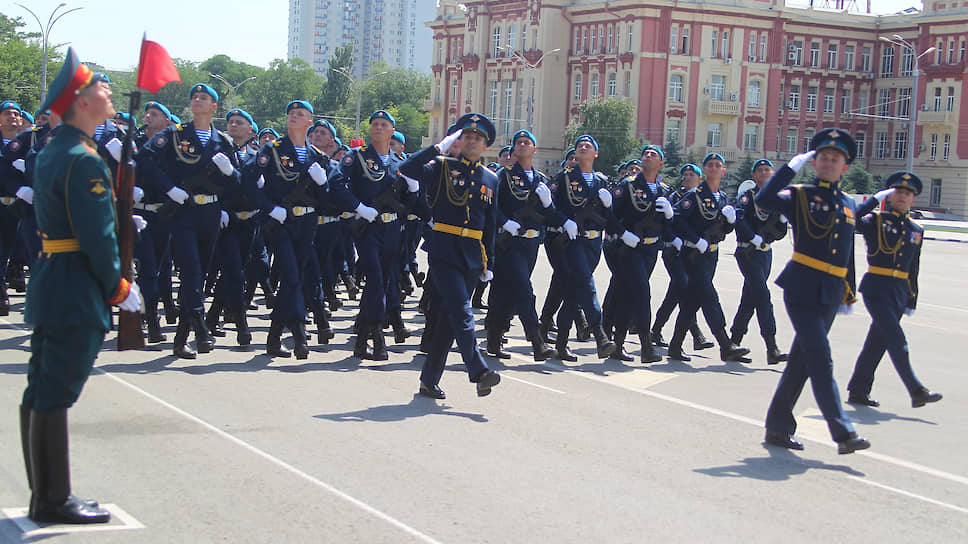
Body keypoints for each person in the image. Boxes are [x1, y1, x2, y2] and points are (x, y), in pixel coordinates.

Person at [20, 47, 141, 524]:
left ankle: (44, 495)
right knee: (55, 392)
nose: (108, 92)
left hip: (54, 279)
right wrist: (117, 287)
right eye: (99, 86)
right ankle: (52, 500)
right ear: (82, 102)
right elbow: (98, 235)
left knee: (41, 388)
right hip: (74, 288)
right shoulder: (84, 159)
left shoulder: (57, 150)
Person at [757, 128, 870, 454]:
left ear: (845, 167)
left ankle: (777, 428)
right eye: (824, 158)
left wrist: (848, 290)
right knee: (821, 359)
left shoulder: (848, 202)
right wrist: (790, 168)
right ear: (815, 162)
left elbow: (846, 250)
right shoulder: (800, 194)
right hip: (802, 288)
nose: (829, 163)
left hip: (831, 292)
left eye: (836, 159)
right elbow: (765, 200)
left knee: (803, 363)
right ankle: (843, 432)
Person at [399, 113, 501, 399]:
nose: (471, 141)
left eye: (477, 138)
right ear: (458, 140)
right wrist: (437, 148)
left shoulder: (491, 179)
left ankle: (428, 380)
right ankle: (479, 370)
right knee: (462, 311)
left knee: (448, 320)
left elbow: (490, 223)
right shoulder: (442, 166)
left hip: (472, 256)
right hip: (444, 250)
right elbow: (406, 169)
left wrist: (489, 261)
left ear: (485, 146)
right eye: (466, 136)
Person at [137, 84, 240, 359]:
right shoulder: (174, 134)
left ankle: (181, 339)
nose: (197, 100)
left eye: (203, 98)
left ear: (213, 106)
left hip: (211, 214)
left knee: (200, 276)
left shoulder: (223, 141)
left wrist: (230, 172)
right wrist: (168, 188)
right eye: (194, 97)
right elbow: (144, 159)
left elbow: (237, 184)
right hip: (183, 212)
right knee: (192, 272)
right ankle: (201, 329)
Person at [242, 100, 332, 359]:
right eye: (291, 113)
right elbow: (247, 181)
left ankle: (273, 336)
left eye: (299, 114)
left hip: (307, 225)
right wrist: (269, 208)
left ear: (309, 121)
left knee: (295, 280)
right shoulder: (272, 149)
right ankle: (300, 335)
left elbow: (326, 200)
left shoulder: (316, 156)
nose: (293, 116)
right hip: (282, 223)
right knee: (292, 278)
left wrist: (323, 182)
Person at [846, 172, 942, 409]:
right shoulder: (876, 220)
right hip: (876, 288)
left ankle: (858, 390)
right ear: (890, 195)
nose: (902, 196)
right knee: (896, 339)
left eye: (907, 193)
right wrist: (874, 200)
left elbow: (914, 268)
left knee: (877, 343)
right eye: (898, 192)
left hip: (899, 292)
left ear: (913, 199)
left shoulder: (916, 228)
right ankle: (916, 389)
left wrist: (912, 299)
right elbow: (849, 219)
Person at [330, 110, 415, 359]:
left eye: (384, 124)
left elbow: (410, 202)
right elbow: (336, 184)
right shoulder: (356, 157)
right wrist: (359, 207)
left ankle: (361, 341)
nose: (378, 128)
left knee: (383, 283)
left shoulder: (400, 164)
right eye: (375, 124)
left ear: (392, 130)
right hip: (368, 228)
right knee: (376, 281)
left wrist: (414, 190)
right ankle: (377, 337)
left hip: (392, 230)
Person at [666, 153, 750, 362]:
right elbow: (676, 219)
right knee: (710, 298)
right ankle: (725, 344)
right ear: (704, 170)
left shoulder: (721, 198)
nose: (714, 168)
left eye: (717, 165)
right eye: (710, 165)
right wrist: (695, 240)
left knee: (692, 302)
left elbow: (724, 230)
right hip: (693, 256)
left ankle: (675, 346)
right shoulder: (694, 195)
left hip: (712, 254)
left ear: (723, 170)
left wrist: (730, 223)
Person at [485, 129, 557, 361]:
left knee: (505, 291)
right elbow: (491, 206)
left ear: (535, 149)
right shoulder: (503, 176)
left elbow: (552, 217)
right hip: (510, 243)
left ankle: (494, 339)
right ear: (515, 149)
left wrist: (547, 203)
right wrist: (505, 223)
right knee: (525, 291)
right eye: (519, 143)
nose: (523, 145)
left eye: (528, 142)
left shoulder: (542, 180)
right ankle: (537, 342)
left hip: (531, 244)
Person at [546, 135, 617, 361]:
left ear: (596, 154)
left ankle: (561, 343)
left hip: (594, 243)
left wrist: (609, 206)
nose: (583, 148)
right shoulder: (565, 178)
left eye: (588, 146)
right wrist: (563, 221)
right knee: (587, 286)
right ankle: (600, 334)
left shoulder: (601, 182)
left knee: (574, 293)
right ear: (575, 154)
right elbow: (549, 207)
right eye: (580, 146)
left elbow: (609, 217)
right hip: (573, 242)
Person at [608, 144, 673, 363]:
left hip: (650, 249)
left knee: (627, 295)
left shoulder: (663, 190)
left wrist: (671, 216)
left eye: (653, 154)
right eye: (646, 153)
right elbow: (610, 216)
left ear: (660, 163)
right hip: (630, 248)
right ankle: (646, 346)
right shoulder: (628, 185)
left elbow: (667, 227)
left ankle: (617, 345)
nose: (648, 156)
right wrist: (623, 234)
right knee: (643, 294)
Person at [729, 159, 789, 365]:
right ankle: (772, 347)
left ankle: (733, 342)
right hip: (748, 253)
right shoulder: (748, 198)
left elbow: (778, 234)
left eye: (767, 170)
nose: (764, 172)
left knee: (750, 299)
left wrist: (781, 222)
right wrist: (752, 237)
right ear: (754, 176)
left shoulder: (776, 201)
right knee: (763, 296)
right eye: (760, 170)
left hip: (765, 254)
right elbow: (740, 220)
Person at [650, 163, 715, 350]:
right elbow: (667, 223)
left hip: (694, 253)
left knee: (676, 292)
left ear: (699, 178)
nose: (687, 177)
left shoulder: (706, 198)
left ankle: (656, 329)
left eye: (691, 174)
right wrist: (675, 239)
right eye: (685, 174)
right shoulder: (675, 198)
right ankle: (697, 336)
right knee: (684, 288)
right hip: (674, 251)